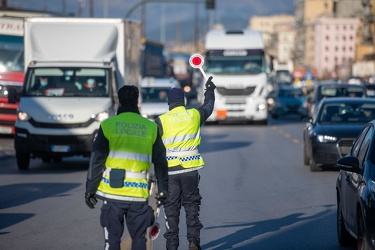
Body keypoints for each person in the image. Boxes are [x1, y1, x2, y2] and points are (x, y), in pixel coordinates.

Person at [85, 85, 169, 250]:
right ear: (137, 102)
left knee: (112, 241)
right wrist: (163, 189)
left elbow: (96, 160)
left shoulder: (108, 126)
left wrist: (90, 189)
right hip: (138, 194)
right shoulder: (151, 127)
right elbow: (160, 162)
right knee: (139, 240)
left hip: (112, 194)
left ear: (119, 101)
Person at [154, 76, 216, 250]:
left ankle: (172, 245)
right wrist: (209, 90)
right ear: (183, 101)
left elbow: (154, 148)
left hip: (170, 173)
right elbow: (209, 107)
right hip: (190, 171)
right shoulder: (194, 115)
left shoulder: (161, 121)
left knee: (171, 210)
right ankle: (193, 241)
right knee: (191, 206)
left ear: (169, 103)